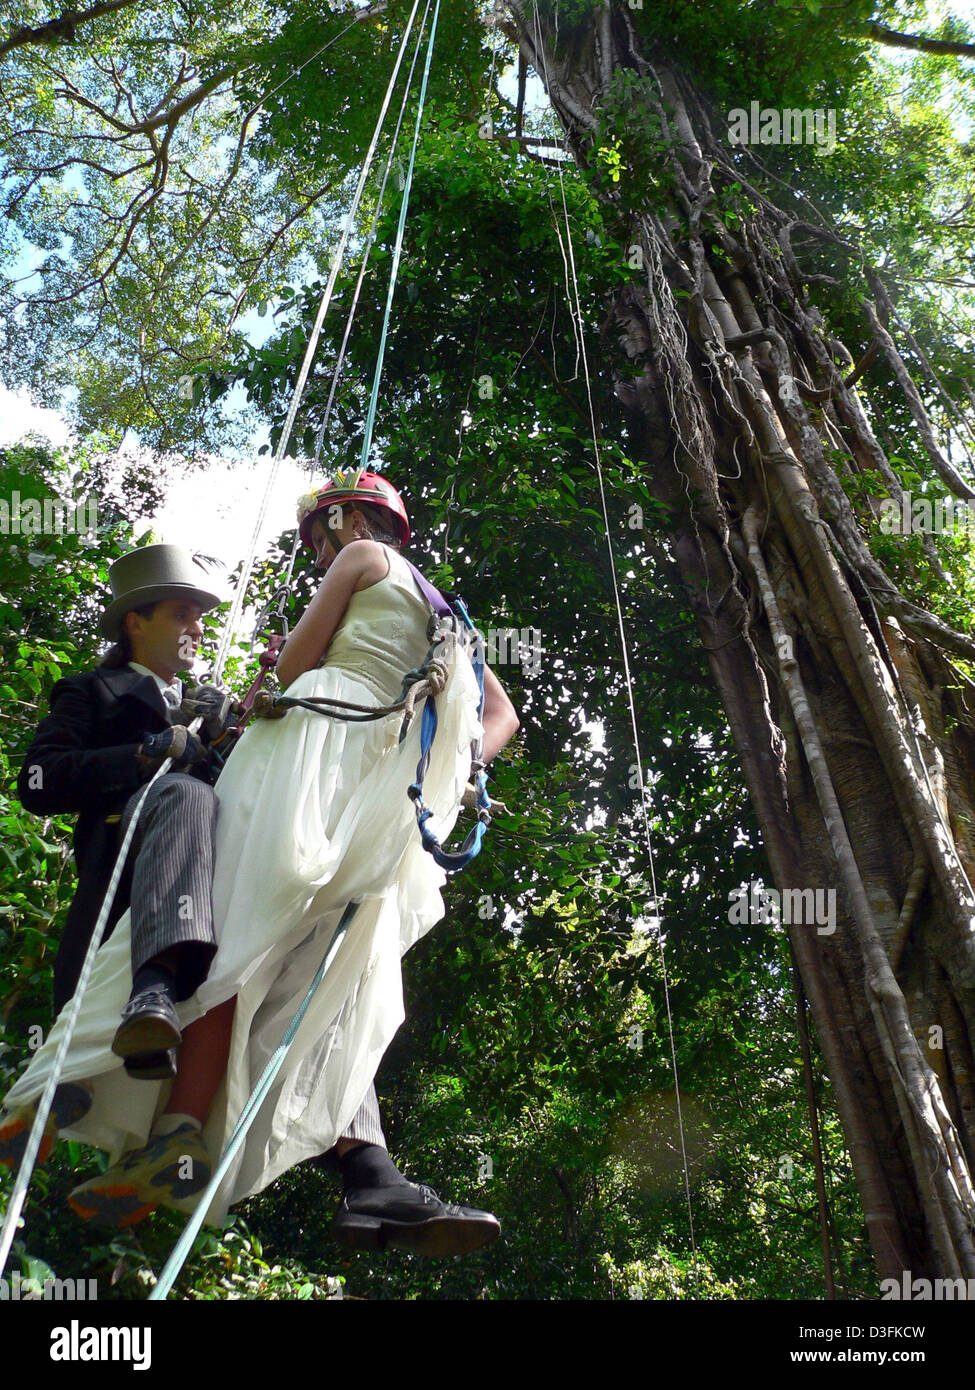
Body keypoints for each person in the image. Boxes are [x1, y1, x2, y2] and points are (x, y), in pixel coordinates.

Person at [2, 472, 520, 1256]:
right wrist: (151, 752)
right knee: (265, 923)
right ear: (134, 620)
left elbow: (289, 680)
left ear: (343, 522)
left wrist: (238, 723)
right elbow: (39, 780)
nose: (198, 628)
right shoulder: (96, 691)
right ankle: (63, 1101)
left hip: (279, 818)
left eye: (319, 539)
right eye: (183, 612)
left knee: (277, 953)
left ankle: (190, 1134)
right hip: (150, 877)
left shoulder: (227, 688)